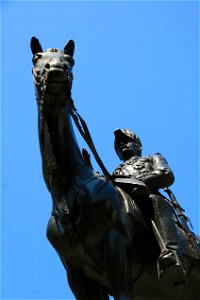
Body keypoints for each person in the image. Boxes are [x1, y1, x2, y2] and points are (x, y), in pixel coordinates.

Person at [112, 128, 186, 285]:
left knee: (155, 201)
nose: (122, 146)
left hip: (149, 199)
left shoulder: (153, 157)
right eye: (119, 145)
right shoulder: (115, 172)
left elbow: (165, 174)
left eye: (126, 142)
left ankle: (172, 254)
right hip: (128, 205)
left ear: (138, 146)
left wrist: (139, 181)